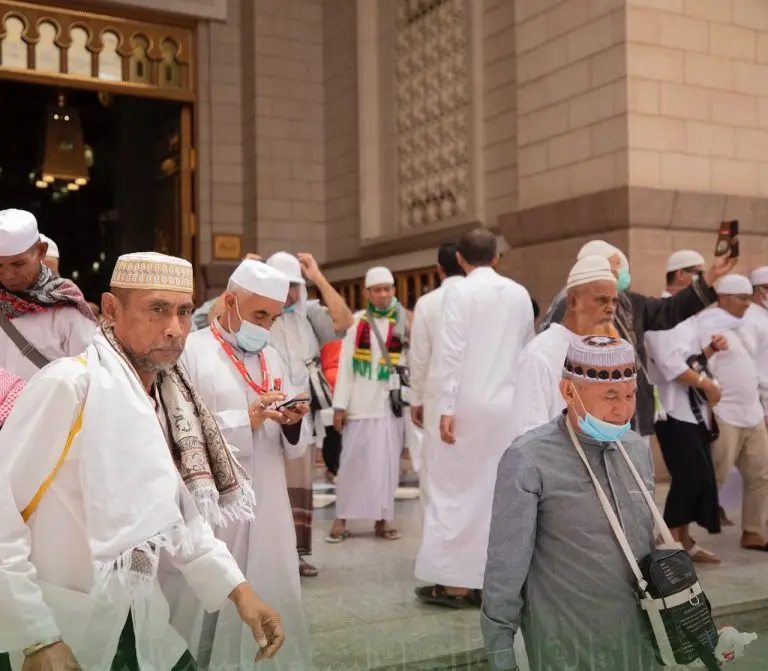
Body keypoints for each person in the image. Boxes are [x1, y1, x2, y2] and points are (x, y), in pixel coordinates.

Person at [0, 252, 284, 671]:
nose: (175, 329)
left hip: (140, 617)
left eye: (184, 312)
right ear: (111, 310)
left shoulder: (167, 398)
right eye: (157, 310)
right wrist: (37, 635)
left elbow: (174, 509)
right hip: (60, 628)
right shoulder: (70, 385)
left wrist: (238, 589)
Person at [483, 335, 661, 671]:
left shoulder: (636, 448)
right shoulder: (529, 458)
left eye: (629, 395)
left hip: (639, 645)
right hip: (566, 648)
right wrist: (500, 655)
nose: (622, 410)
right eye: (610, 396)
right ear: (568, 392)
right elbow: (504, 571)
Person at [173, 259, 312, 671]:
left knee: (273, 583)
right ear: (230, 302)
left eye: (274, 317)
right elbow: (180, 429)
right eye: (259, 315)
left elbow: (293, 443)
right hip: (216, 504)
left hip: (267, 500)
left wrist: (291, 422)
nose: (266, 327)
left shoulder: (272, 355)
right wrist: (243, 422)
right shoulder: (192, 351)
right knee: (212, 596)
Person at [414, 228, 534, 608]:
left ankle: (455, 583)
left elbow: (452, 351)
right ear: (496, 258)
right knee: (496, 492)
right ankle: (494, 578)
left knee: (453, 493)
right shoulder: (518, 294)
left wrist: (446, 408)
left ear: (461, 260)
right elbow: (527, 350)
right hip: (508, 406)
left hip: (467, 406)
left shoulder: (458, 291)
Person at [541, 239, 735, 454]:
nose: (621, 271)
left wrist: (712, 275)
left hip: (632, 411)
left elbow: (669, 310)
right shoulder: (567, 307)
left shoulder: (628, 302)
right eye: (616, 265)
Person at [266, 251, 353, 577]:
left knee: (300, 487)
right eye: (282, 285)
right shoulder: (256, 317)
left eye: (294, 286)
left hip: (302, 417)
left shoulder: (310, 315)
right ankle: (267, 557)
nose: (289, 293)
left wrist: (317, 276)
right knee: (270, 487)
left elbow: (345, 322)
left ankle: (295, 556)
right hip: (266, 415)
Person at [328, 266, 408, 543]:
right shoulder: (358, 323)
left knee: (386, 467)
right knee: (351, 463)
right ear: (367, 293)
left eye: (388, 288)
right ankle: (342, 517)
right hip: (359, 406)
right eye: (377, 290)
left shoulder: (404, 322)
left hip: (391, 407)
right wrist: (340, 406)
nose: (384, 294)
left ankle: (382, 519)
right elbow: (346, 369)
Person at [508, 255, 617, 442]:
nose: (610, 308)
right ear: (574, 301)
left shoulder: (604, 351)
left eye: (614, 301)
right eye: (601, 300)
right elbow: (528, 437)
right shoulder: (540, 354)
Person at [645, 314, 725, 563]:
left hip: (695, 411)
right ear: (680, 274)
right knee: (690, 477)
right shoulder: (662, 317)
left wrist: (710, 350)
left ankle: (684, 540)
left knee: (700, 478)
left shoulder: (688, 319)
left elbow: (690, 361)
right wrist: (707, 385)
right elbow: (671, 366)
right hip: (672, 411)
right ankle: (667, 541)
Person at [705, 274, 768, 551]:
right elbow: (699, 367)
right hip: (725, 414)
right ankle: (678, 534)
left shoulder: (744, 326)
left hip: (753, 413)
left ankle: (752, 531)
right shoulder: (707, 326)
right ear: (724, 297)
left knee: (760, 475)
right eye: (741, 298)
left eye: (747, 298)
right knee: (713, 477)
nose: (747, 303)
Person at [0, 209, 97, 381]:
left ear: (41, 251)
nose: (8, 275)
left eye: (18, 264)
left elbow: (89, 378)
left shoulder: (67, 308)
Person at [409, 242, 465, 508]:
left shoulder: (427, 303)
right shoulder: (482, 297)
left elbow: (419, 356)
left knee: (437, 469)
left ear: (439, 269)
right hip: (480, 393)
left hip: (437, 395)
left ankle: (437, 541)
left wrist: (415, 398)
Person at [320, 338, 343, 481]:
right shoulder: (349, 335)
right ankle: (338, 466)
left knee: (330, 429)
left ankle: (333, 467)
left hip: (326, 381)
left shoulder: (324, 338)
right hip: (342, 380)